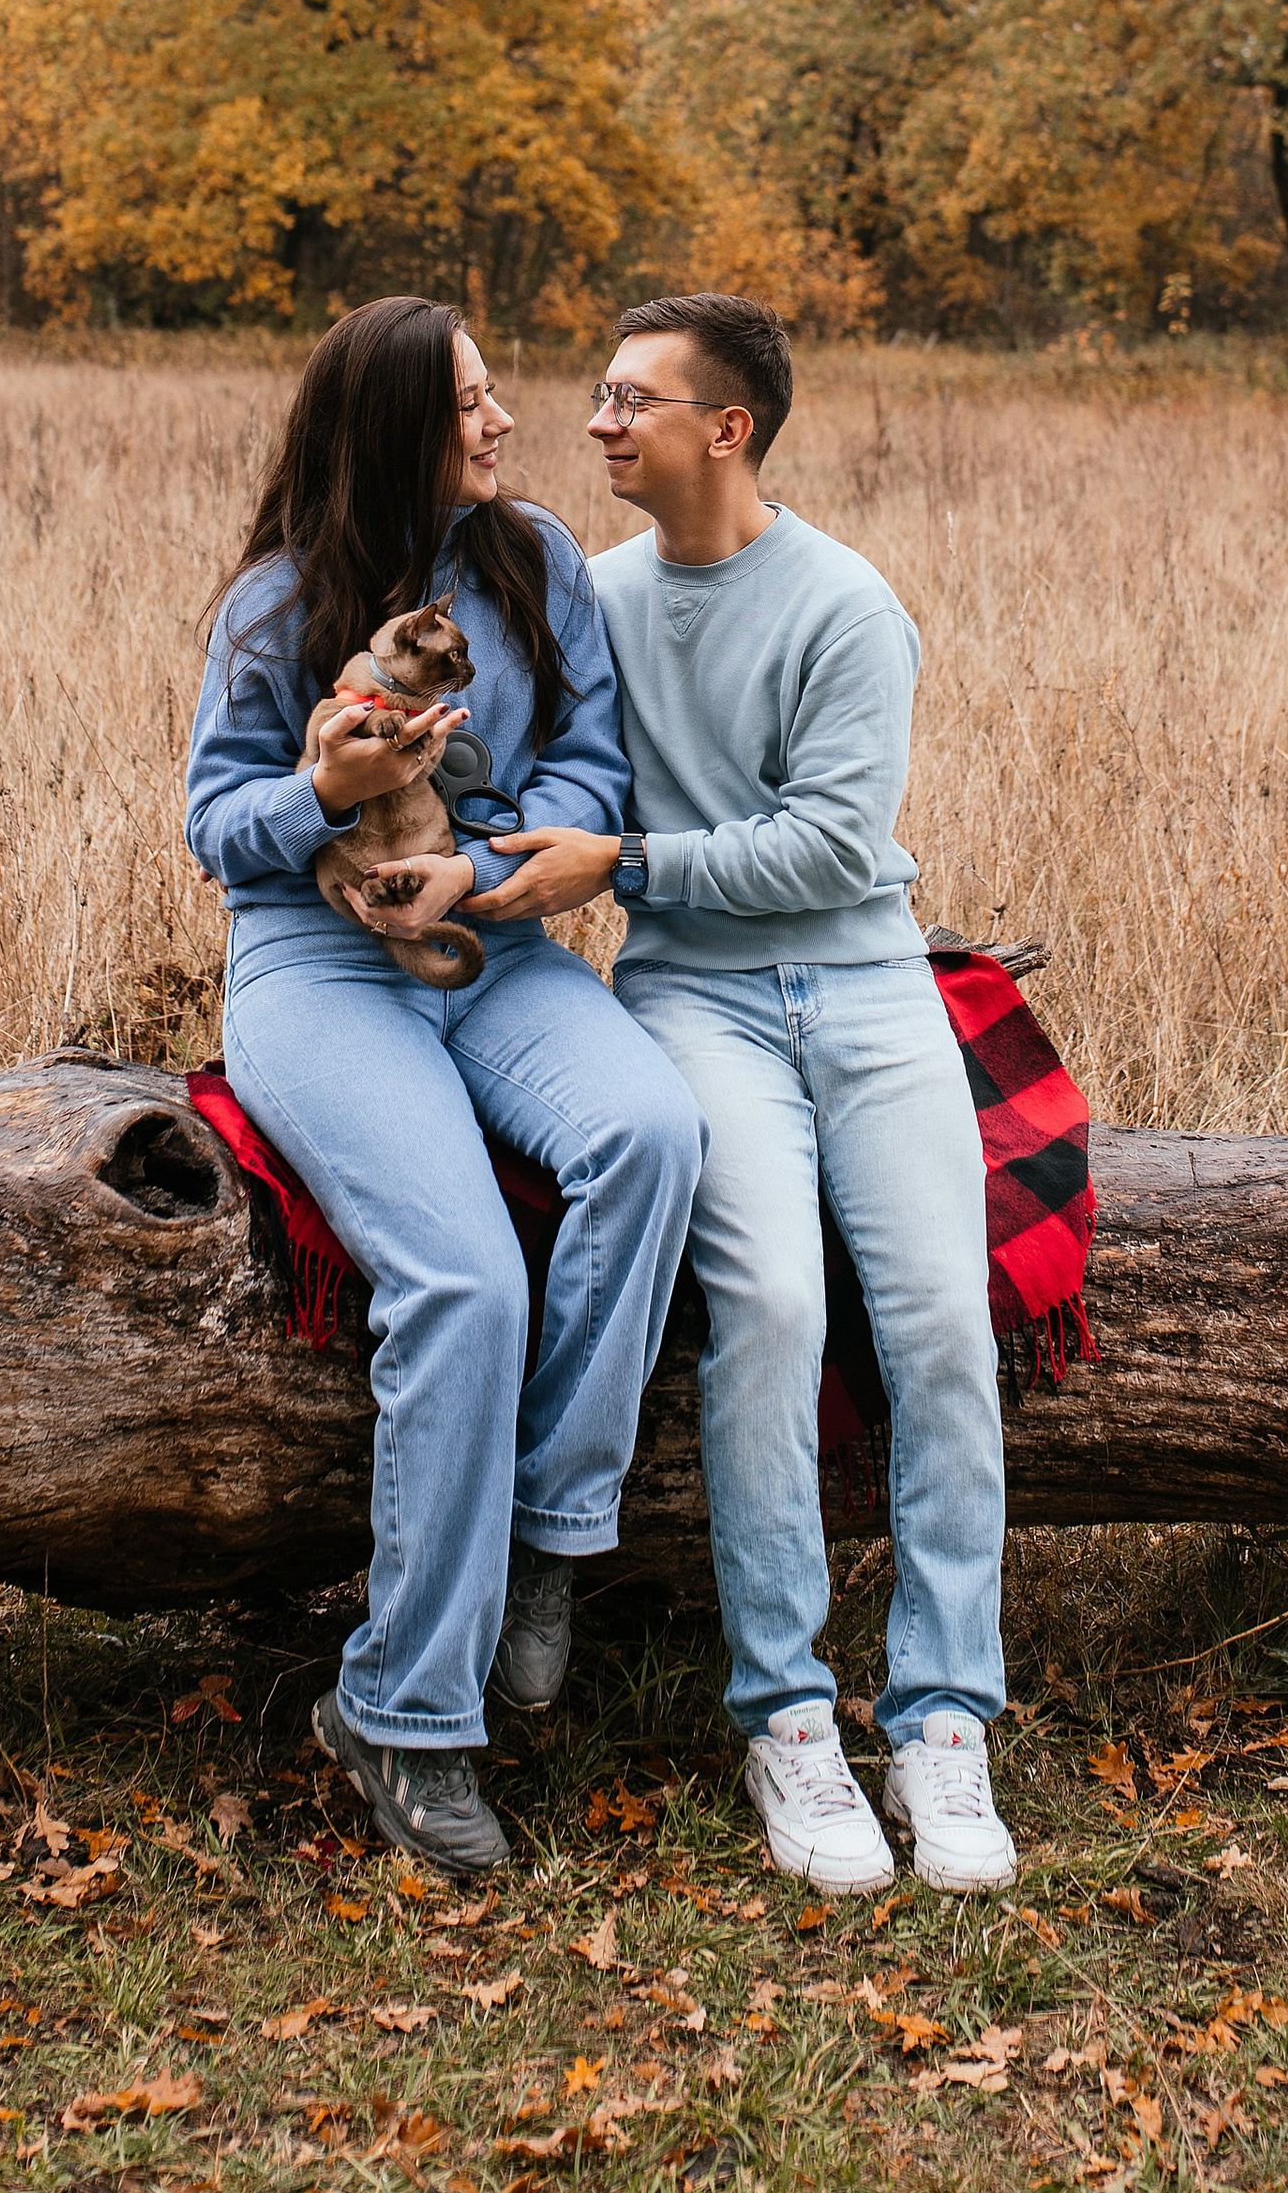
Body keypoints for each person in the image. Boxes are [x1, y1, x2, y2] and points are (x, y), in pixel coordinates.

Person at [470, 292, 1013, 1896]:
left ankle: (943, 1717)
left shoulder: (846, 606)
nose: (598, 423)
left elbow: (840, 847)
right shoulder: (595, 600)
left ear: (730, 428)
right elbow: (540, 767)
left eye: (634, 399)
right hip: (693, 993)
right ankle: (789, 1720)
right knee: (770, 1303)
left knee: (941, 1325)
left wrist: (622, 859)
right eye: (598, 394)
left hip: (864, 985)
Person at [185, 296, 703, 1881]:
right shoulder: (279, 606)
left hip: (490, 944)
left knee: (652, 1130)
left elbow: (592, 784)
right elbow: (217, 826)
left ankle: (551, 1538)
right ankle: (405, 1716)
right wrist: (325, 796)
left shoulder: (538, 564)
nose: (501, 423)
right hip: (316, 965)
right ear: (394, 427)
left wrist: (477, 872)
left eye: (494, 396)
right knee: (467, 1279)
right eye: (469, 402)